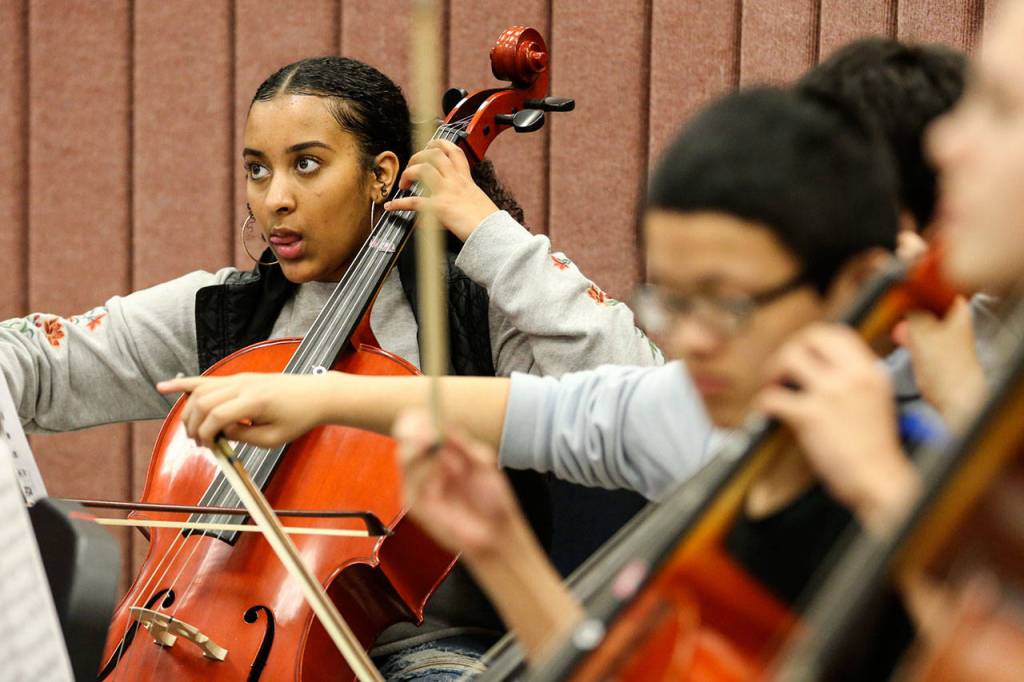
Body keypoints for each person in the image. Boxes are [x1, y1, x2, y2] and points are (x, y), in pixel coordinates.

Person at [164, 86, 906, 671]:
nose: (694, 342)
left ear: (862, 288)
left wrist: (887, 498)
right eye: (672, 301)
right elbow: (539, 411)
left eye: (730, 304)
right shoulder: (684, 410)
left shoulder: (931, 478)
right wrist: (316, 395)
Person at [0, 56, 661, 679]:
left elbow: (641, 395)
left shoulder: (468, 313)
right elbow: (35, 360)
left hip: (424, 653)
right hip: (203, 638)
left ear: (381, 176)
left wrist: (487, 232)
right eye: (257, 170)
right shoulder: (229, 315)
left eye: (306, 165)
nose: (274, 199)